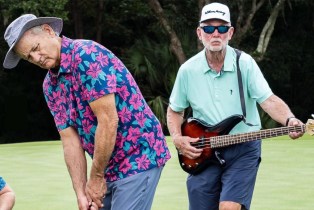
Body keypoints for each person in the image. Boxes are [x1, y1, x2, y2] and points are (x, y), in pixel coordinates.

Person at [3, 14, 171, 210]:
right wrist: (81, 193)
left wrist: (96, 177)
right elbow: (70, 140)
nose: (36, 58)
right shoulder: (50, 86)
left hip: (138, 155)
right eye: (28, 57)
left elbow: (108, 120)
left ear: (49, 31)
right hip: (107, 164)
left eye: (35, 48)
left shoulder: (87, 55)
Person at [166, 2, 304, 210]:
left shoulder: (245, 63)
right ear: (199, 32)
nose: (215, 34)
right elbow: (175, 110)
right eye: (209, 28)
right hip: (204, 149)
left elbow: (268, 100)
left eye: (221, 28)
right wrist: (177, 138)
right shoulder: (187, 70)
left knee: (229, 207)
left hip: (243, 149)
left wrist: (289, 119)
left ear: (230, 33)